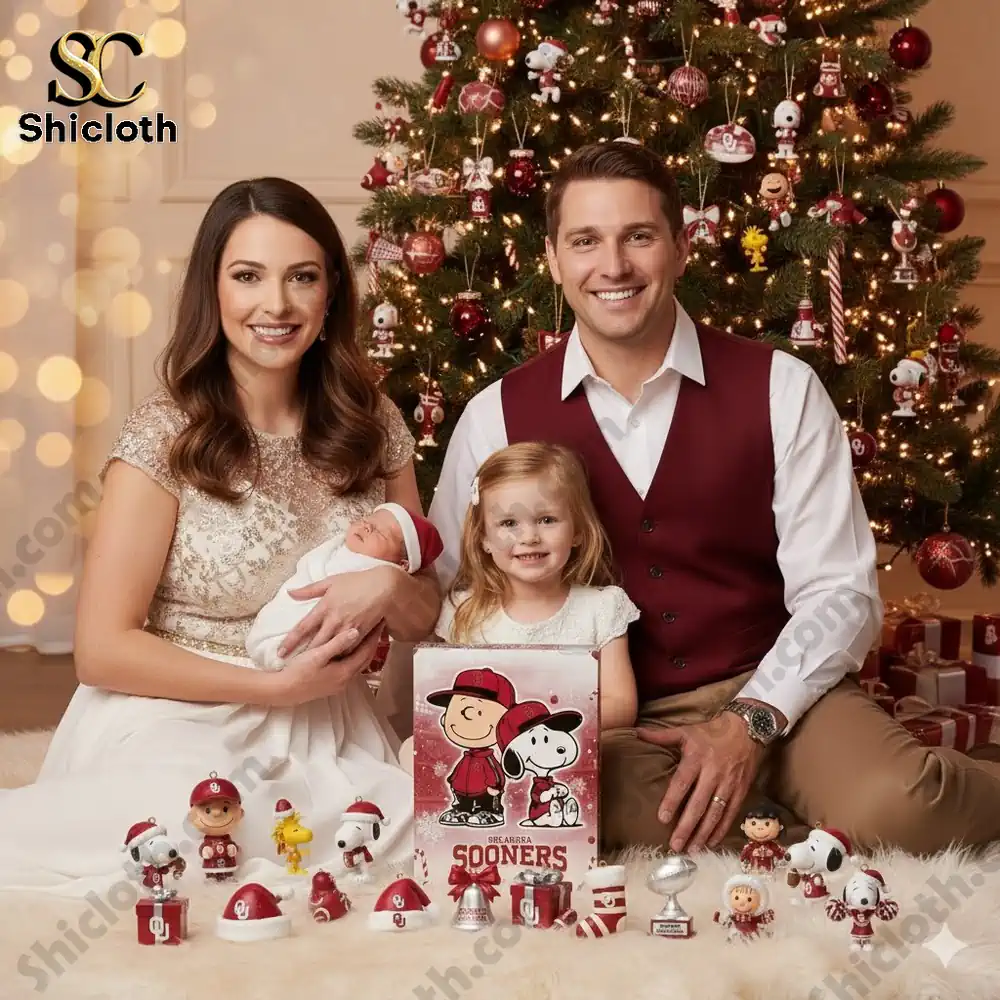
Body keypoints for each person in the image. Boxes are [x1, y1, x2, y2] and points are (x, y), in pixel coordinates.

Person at [389, 140, 1000, 859]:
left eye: (638, 237)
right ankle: (796, 839)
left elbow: (840, 592)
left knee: (904, 809)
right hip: (612, 721)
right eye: (585, 241)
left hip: (779, 693)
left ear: (681, 247)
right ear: (552, 260)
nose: (613, 266)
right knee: (599, 816)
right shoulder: (495, 414)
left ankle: (849, 802)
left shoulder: (780, 388)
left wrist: (751, 719)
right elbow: (453, 593)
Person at [0, 177, 440, 898]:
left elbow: (424, 615)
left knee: (397, 831)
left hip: (328, 720)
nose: (277, 304)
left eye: (302, 277)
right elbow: (102, 649)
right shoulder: (165, 434)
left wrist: (390, 584)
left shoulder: (373, 422)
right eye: (248, 276)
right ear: (212, 289)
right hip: (178, 711)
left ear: (332, 291)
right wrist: (274, 687)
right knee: (197, 829)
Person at [435, 441, 640, 732]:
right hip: (486, 749)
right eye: (509, 523)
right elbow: (448, 710)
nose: (529, 537)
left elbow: (620, 704)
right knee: (408, 749)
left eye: (547, 520)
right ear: (484, 539)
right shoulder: (462, 610)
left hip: (574, 746)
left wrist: (538, 724)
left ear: (577, 531)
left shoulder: (603, 608)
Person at [246, 503, 443, 671]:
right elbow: (308, 569)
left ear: (402, 565)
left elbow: (422, 613)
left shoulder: (372, 566)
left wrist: (389, 580)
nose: (366, 527)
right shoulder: (335, 549)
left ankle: (279, 651)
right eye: (366, 520)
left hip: (321, 665)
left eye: (380, 532)